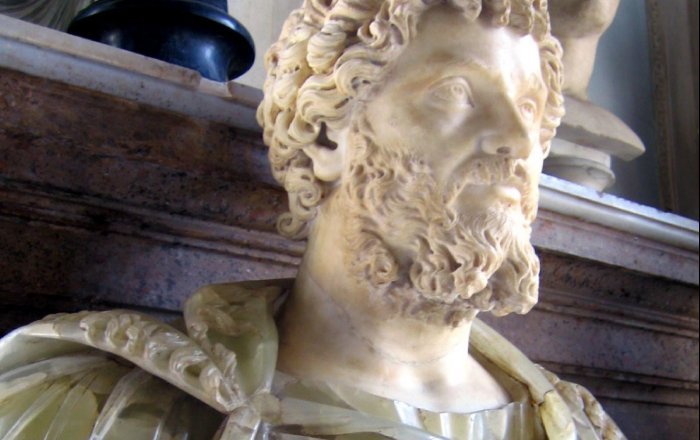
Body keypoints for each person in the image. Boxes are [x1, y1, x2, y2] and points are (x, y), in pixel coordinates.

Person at [0, 1, 625, 439]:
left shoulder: (579, 427)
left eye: (529, 109)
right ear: (328, 132)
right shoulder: (98, 407)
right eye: (456, 94)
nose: (517, 142)